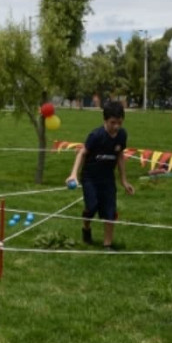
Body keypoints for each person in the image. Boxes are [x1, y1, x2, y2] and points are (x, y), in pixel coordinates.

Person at [65, 101, 135, 251]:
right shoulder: (96, 135)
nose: (116, 126)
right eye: (112, 123)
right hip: (90, 177)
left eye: (119, 122)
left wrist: (124, 180)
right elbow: (82, 153)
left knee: (110, 211)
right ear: (105, 120)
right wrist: (73, 174)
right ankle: (86, 227)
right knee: (92, 207)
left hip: (108, 178)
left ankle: (107, 244)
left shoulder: (122, 135)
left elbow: (120, 156)